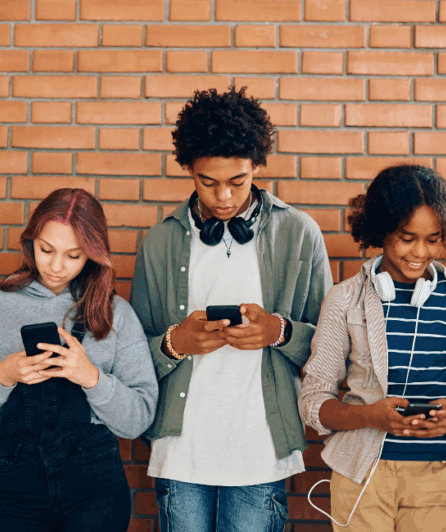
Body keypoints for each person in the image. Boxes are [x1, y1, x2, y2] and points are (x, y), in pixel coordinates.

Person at [130, 86, 332, 532]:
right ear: (188, 169)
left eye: (237, 181)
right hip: (181, 450)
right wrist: (173, 343)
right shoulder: (160, 240)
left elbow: (333, 348)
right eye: (207, 181)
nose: (223, 196)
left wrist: (278, 332)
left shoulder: (300, 234)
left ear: (257, 166)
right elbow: (130, 355)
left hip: (260, 448)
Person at [299, 165, 446, 532]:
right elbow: (312, 402)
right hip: (363, 476)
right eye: (407, 237)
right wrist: (370, 416)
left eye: (433, 239)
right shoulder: (345, 300)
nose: (421, 252)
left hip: (439, 478)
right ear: (382, 230)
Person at [0, 188, 156, 532]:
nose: (55, 266)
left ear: (93, 255)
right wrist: (2, 376)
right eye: (46, 250)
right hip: (17, 491)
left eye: (73, 255)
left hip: (95, 489)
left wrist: (91, 377)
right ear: (30, 242)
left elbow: (138, 420)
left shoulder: (115, 314)